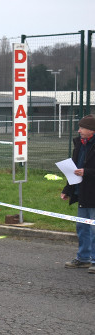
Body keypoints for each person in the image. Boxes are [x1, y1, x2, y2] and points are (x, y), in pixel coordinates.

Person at [61, 115, 95, 272]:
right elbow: (73, 168)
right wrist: (67, 189)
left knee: (94, 229)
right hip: (82, 193)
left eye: (82, 127)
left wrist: (86, 172)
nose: (79, 130)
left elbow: (84, 170)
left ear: (91, 130)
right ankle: (83, 258)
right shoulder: (79, 145)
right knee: (82, 227)